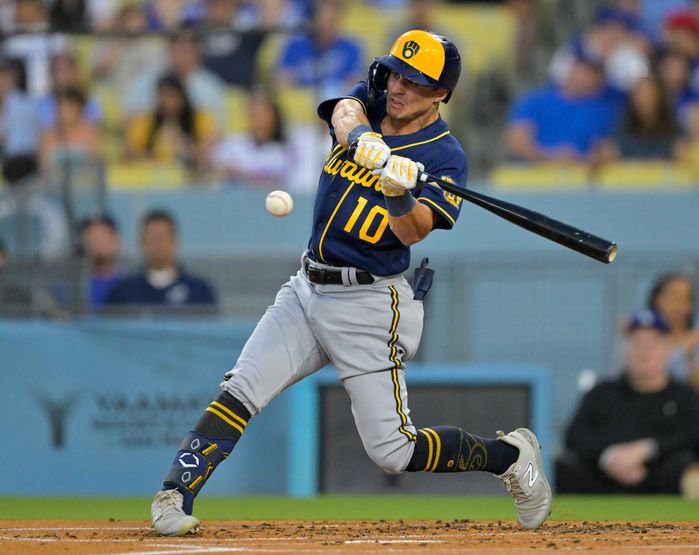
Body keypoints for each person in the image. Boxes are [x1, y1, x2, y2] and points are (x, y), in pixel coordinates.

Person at [150, 30, 552, 537]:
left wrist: (399, 192)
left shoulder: (446, 157)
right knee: (242, 386)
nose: (399, 86)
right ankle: (174, 493)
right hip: (307, 286)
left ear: (441, 93)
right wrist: (370, 145)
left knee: (394, 451)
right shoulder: (370, 101)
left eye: (416, 81)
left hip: (369, 301)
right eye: (397, 73)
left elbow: (413, 232)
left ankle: (508, 456)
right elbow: (343, 113)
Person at [558, 309, 699, 496]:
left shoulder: (685, 396)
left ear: (667, 350)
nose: (644, 350)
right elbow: (574, 436)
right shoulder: (601, 392)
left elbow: (698, 437)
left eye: (652, 343)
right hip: (603, 482)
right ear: (625, 349)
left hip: (659, 483)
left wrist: (649, 449)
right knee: (565, 465)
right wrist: (608, 457)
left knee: (686, 466)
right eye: (636, 343)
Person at [504, 43, 624, 164]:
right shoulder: (535, 101)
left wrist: (586, 160)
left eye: (596, 73)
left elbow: (605, 148)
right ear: (571, 68)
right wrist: (550, 157)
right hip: (534, 176)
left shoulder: (603, 110)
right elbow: (517, 141)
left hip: (581, 176)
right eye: (585, 69)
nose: (590, 77)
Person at [104, 210, 215, 308]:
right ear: (142, 242)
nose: (159, 245)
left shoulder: (199, 292)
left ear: (175, 241)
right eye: (153, 238)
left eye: (163, 238)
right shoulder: (123, 292)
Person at [125, 74, 216, 171]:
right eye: (162, 96)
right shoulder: (147, 121)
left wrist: (187, 148)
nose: (167, 101)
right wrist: (155, 153)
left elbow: (209, 146)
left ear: (182, 96)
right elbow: (129, 151)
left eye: (171, 95)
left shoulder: (200, 118)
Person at [275, 0, 363, 99]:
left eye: (331, 21)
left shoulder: (351, 49)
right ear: (314, 21)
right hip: (301, 105)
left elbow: (354, 84)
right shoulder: (295, 47)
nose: (327, 27)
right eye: (322, 21)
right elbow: (282, 83)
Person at [211, 90, 293, 187]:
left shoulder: (282, 151)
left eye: (263, 115)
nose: (258, 122)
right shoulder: (233, 144)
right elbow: (212, 167)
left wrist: (241, 174)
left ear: (275, 119)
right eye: (254, 115)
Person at [79, 213, 120, 311]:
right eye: (91, 236)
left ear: (116, 240)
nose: (97, 241)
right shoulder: (73, 287)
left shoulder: (129, 286)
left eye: (103, 235)